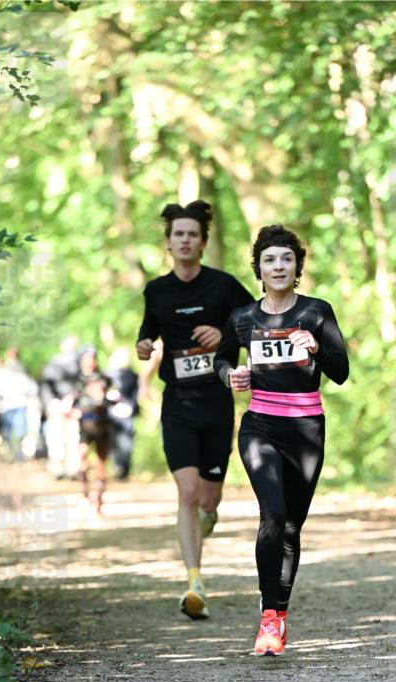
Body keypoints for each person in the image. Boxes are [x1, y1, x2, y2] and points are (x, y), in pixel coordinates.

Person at [214, 224, 349, 655]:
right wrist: (229, 375)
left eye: (286, 259)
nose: (278, 266)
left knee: (292, 526)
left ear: (297, 267)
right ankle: (267, 616)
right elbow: (221, 359)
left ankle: (280, 613)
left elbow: (341, 372)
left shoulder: (316, 312)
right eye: (270, 259)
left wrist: (317, 348)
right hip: (260, 426)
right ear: (258, 267)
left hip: (307, 429)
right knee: (272, 514)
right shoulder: (242, 318)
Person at [136, 199, 253, 620]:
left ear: (202, 242)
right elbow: (148, 332)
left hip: (217, 403)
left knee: (207, 498)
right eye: (178, 234)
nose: (185, 240)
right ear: (168, 243)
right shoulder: (157, 290)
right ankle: (195, 581)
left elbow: (254, 321)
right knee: (186, 493)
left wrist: (221, 332)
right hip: (178, 404)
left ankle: (211, 514)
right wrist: (144, 345)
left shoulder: (224, 286)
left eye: (192, 234)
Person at [66, 346, 118, 518]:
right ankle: (84, 494)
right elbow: (68, 402)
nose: (90, 361)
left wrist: (112, 400)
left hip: (103, 426)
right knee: (82, 459)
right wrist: (70, 410)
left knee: (101, 466)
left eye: (92, 358)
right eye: (86, 358)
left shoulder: (105, 379)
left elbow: (114, 399)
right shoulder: (76, 380)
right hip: (83, 427)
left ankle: (99, 502)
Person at [41, 335, 81, 479]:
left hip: (74, 408)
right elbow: (46, 386)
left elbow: (82, 384)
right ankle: (58, 468)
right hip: (56, 406)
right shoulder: (53, 364)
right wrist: (53, 403)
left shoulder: (80, 363)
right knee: (56, 439)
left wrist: (72, 400)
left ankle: (74, 469)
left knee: (73, 439)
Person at [107, 347, 140, 480]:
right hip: (118, 414)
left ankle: (121, 468)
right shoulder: (109, 375)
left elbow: (135, 396)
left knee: (121, 443)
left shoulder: (132, 375)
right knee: (121, 442)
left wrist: (130, 407)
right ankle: (121, 468)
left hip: (122, 414)